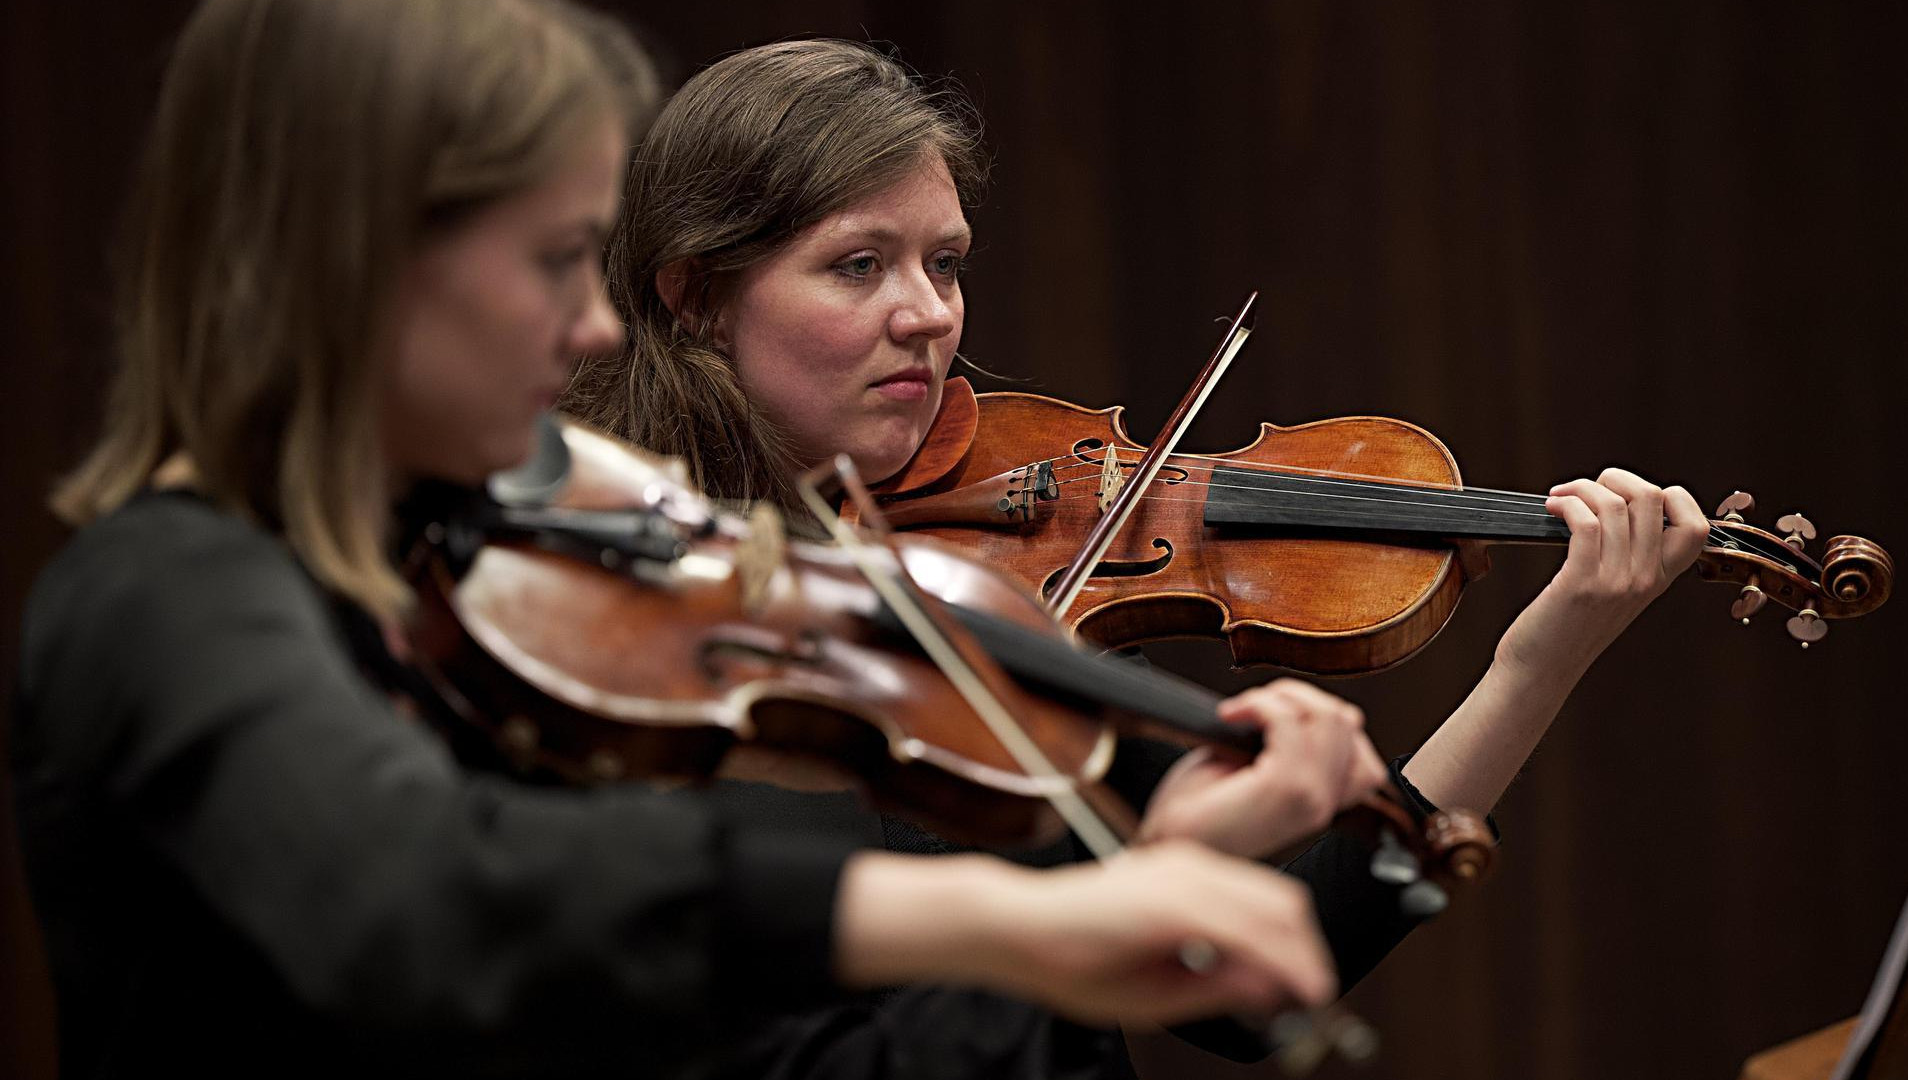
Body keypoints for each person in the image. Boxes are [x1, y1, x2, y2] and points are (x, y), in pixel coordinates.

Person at [9, 4, 1368, 1078]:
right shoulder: (168, 597)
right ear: (352, 259)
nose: (598, 326)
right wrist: (1004, 919)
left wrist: (1130, 870)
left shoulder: (456, 585)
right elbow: (424, 901)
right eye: (553, 259)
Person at [563, 33, 1714, 987]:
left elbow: (1271, 966)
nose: (928, 315)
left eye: (946, 264)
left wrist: (1536, 663)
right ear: (700, 296)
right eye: (860, 265)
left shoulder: (990, 611)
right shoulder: (609, 618)